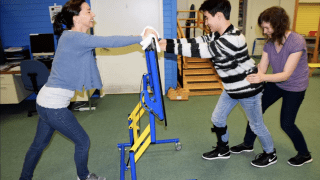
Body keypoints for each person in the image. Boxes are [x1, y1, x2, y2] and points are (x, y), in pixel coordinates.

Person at [19, 0, 156, 180]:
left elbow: (101, 45)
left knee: (38, 145)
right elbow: (110, 41)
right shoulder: (74, 37)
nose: (93, 15)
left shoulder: (70, 37)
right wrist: (141, 37)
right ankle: (84, 177)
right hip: (54, 106)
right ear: (76, 17)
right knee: (83, 141)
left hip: (45, 102)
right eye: (89, 11)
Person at [159, 0, 276, 167]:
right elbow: (194, 42)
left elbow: (200, 51)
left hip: (248, 89)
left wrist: (162, 47)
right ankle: (223, 149)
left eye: (207, 18)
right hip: (230, 87)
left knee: (256, 125)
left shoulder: (233, 38)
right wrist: (163, 41)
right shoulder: (219, 34)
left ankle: (270, 153)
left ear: (219, 16)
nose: (205, 23)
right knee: (217, 118)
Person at [230, 6, 313, 167]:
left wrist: (261, 77)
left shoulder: (296, 41)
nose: (265, 31)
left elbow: (286, 74)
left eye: (267, 27)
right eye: (263, 28)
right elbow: (262, 67)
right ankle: (248, 144)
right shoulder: (269, 43)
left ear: (279, 24)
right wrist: (252, 75)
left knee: (287, 123)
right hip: (276, 82)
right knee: (255, 110)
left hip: (295, 86)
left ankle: (304, 154)